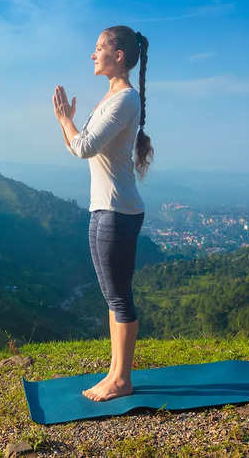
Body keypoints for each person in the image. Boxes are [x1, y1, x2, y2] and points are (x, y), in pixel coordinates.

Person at [52, 25, 154, 402]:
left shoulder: (125, 100)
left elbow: (83, 146)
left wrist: (65, 119)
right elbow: (79, 147)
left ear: (120, 56)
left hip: (119, 211)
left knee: (120, 297)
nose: (93, 55)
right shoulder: (109, 99)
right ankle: (115, 372)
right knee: (112, 296)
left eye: (98, 48)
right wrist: (67, 122)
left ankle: (122, 379)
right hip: (103, 208)